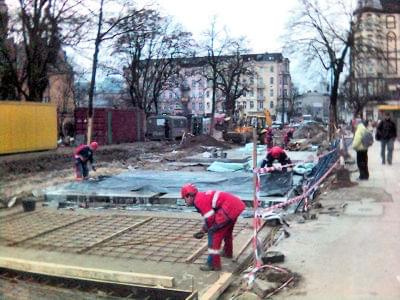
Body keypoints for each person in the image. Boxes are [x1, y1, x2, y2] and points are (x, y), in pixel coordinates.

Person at [181, 183, 245, 271]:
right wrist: (203, 230)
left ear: (188, 196)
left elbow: (210, 219)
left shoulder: (198, 201)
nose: (185, 202)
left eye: (184, 199)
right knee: (227, 232)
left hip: (229, 209)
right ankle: (227, 252)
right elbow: (211, 217)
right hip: (235, 206)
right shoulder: (201, 196)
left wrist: (206, 230)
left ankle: (212, 264)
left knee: (214, 235)